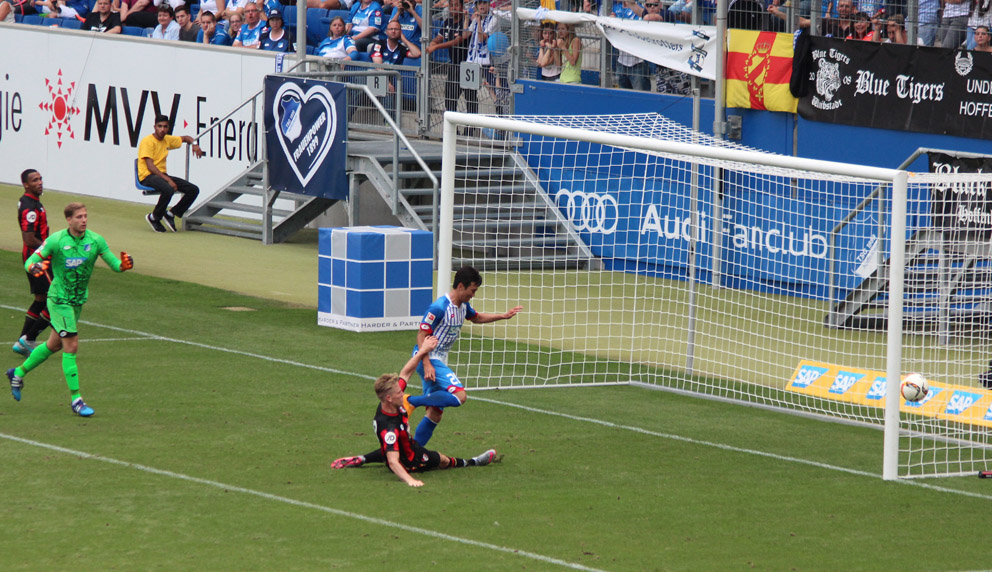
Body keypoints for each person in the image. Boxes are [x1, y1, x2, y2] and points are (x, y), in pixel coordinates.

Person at [6, 203, 134, 417]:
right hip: (59, 300)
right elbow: (31, 260)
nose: (83, 220)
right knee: (71, 346)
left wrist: (124, 265)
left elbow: (114, 265)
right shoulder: (56, 240)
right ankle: (77, 399)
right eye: (79, 217)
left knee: (53, 345)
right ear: (69, 220)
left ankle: (17, 373)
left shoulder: (95, 240)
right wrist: (35, 267)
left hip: (77, 302)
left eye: (85, 216)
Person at [329, 336, 501, 485]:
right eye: (399, 393)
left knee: (396, 446)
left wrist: (422, 351)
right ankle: (472, 462)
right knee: (442, 460)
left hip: (404, 446)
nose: (401, 393)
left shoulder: (389, 404)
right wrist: (410, 480)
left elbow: (406, 373)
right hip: (412, 461)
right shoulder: (389, 427)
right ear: (389, 398)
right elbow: (393, 461)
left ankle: (362, 459)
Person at [138, 114, 205, 233]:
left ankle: (171, 214)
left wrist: (194, 145)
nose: (162, 129)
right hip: (147, 176)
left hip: (162, 175)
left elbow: (186, 138)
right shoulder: (147, 141)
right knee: (169, 189)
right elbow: (150, 166)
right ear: (154, 127)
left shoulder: (167, 139)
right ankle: (154, 217)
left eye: (165, 126)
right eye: (159, 126)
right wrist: (168, 180)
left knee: (193, 190)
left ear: (168, 128)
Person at [12, 170, 52, 358]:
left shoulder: (32, 202)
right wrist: (50, 247)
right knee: (55, 299)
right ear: (26, 184)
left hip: (35, 258)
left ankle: (23, 340)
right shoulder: (29, 207)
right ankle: (28, 339)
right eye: (35, 180)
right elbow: (29, 239)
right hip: (37, 259)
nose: (40, 183)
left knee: (41, 299)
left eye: (40, 179)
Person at [425, 0, 470, 112]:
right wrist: (434, 42)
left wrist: (436, 47)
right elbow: (439, 37)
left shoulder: (466, 22)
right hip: (454, 65)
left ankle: (471, 128)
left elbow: (457, 41)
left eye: (456, 5)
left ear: (462, 7)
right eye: (451, 5)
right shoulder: (447, 22)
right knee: (449, 98)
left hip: (468, 66)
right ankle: (453, 128)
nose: (454, 8)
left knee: (470, 99)